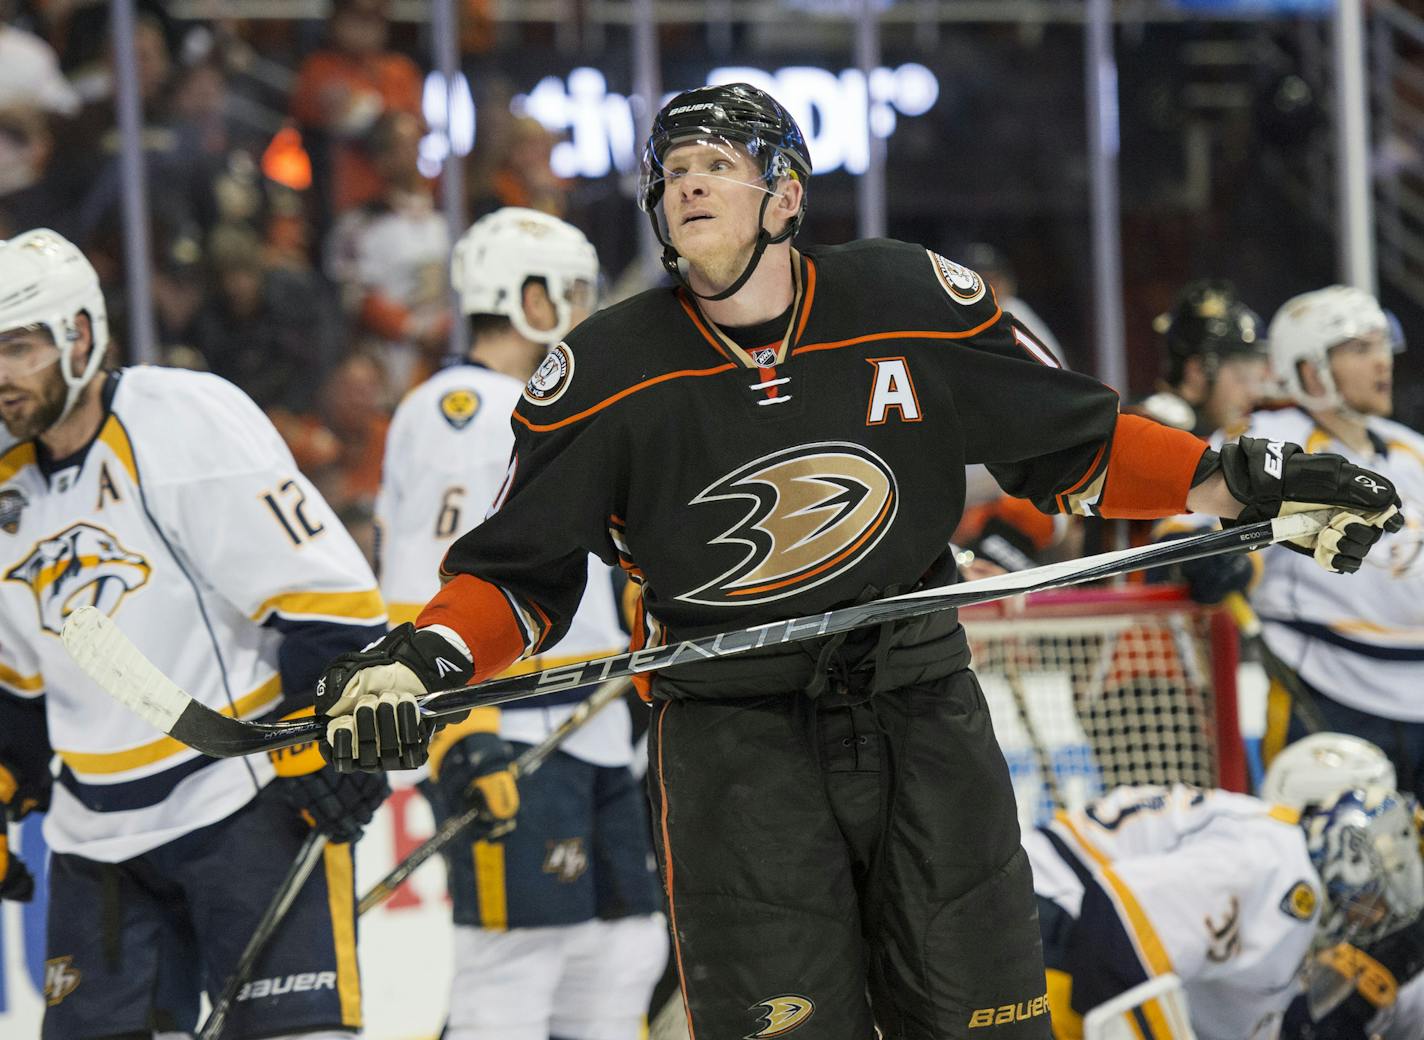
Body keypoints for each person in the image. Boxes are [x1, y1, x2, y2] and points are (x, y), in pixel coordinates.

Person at [312, 84, 1404, 1039]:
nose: (689, 186)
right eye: (673, 171)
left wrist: (1243, 481)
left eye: (720, 166)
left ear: (785, 196)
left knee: (983, 1013)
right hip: (732, 741)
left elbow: (1075, 446)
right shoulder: (599, 373)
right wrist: (420, 662)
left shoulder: (907, 302)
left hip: (918, 702)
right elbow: (517, 574)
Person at [0, 229, 389, 1039]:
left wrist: (325, 735)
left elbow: (332, 604)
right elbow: (18, 688)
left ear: (79, 334)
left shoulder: (181, 419)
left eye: (17, 347)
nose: (0, 376)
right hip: (92, 841)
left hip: (241, 801)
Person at [376, 206, 667, 1039]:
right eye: (572, 293)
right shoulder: (461, 407)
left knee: (623, 952)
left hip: (596, 733)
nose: (585, 313)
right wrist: (460, 737)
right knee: (512, 969)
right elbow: (421, 592)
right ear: (526, 297)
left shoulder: (548, 408)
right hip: (515, 732)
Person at [1207, 287, 1424, 800]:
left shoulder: (1412, 449)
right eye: (1357, 349)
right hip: (1327, 692)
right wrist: (1221, 558)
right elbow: (1188, 534)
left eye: (1380, 346)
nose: (1381, 362)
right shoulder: (1265, 443)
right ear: (1309, 370)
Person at [1026, 781, 1424, 1040]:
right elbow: (1116, 931)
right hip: (1041, 912)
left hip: (1059, 923)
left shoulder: (1287, 894)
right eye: (1375, 902)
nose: (1370, 920)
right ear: (1351, 860)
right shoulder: (1279, 864)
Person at [1133, 280, 1270, 440]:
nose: (1254, 393)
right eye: (1242, 375)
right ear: (1196, 372)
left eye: (1257, 376)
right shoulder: (1148, 436)